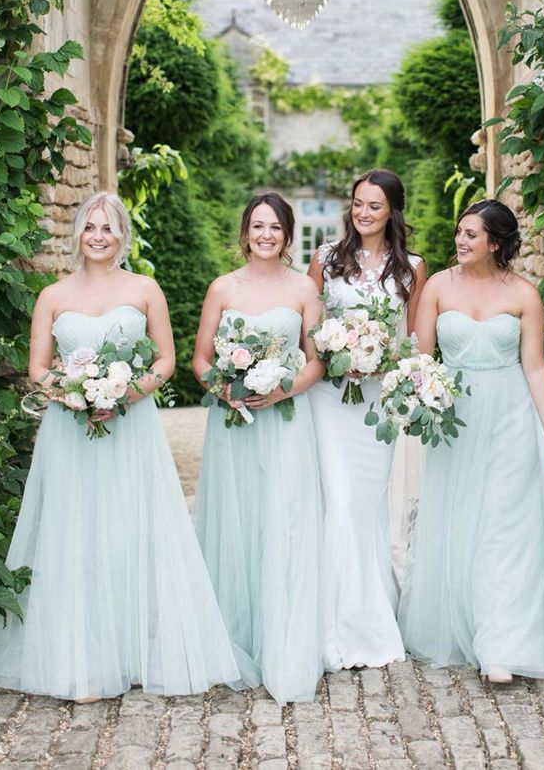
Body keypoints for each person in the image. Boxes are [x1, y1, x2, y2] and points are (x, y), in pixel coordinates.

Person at [0, 191, 239, 701]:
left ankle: (133, 649)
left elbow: (165, 360)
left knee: (128, 529)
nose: (98, 236)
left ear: (122, 235)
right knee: (75, 534)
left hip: (130, 428)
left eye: (108, 227)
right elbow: (37, 370)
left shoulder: (145, 289)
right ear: (78, 234)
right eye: (90, 227)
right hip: (69, 434)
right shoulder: (53, 296)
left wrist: (124, 394)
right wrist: (74, 396)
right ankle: (83, 659)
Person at [398, 199, 544, 683]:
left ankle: (501, 645)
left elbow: (534, 367)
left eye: (471, 235)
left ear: (497, 243)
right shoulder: (438, 287)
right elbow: (421, 356)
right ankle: (464, 622)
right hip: (456, 419)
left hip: (511, 417)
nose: (461, 241)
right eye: (460, 232)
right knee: (463, 520)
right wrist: (423, 399)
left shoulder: (525, 294)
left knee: (506, 528)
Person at [193, 192, 324, 705]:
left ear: (288, 236)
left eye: (275, 227)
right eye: (257, 226)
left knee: (283, 519)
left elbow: (317, 359)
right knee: (238, 518)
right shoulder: (222, 288)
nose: (265, 235)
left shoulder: (304, 289)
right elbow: (201, 359)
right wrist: (223, 388)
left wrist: (283, 388)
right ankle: (232, 637)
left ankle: (283, 639)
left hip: (286, 421)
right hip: (233, 423)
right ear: (245, 233)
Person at [307, 169, 426, 671]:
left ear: (392, 211)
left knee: (369, 508)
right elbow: (308, 329)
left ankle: (370, 619)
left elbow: (417, 339)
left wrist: (382, 360)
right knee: (338, 501)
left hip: (377, 403)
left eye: (374, 205)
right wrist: (337, 352)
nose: (363, 212)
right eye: (357, 203)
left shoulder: (413, 269)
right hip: (330, 400)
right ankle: (328, 628)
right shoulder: (325, 261)